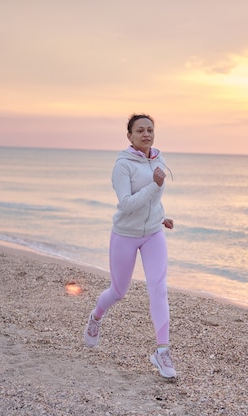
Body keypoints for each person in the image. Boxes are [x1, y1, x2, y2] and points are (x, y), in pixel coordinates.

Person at [84, 113, 176, 379]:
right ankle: (96, 317)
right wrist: (154, 185)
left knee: (158, 290)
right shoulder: (122, 166)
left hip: (153, 233)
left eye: (150, 130)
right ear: (130, 136)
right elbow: (126, 203)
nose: (146, 135)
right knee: (118, 291)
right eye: (140, 131)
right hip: (125, 234)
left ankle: (162, 351)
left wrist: (161, 215)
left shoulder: (159, 159)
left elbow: (153, 199)